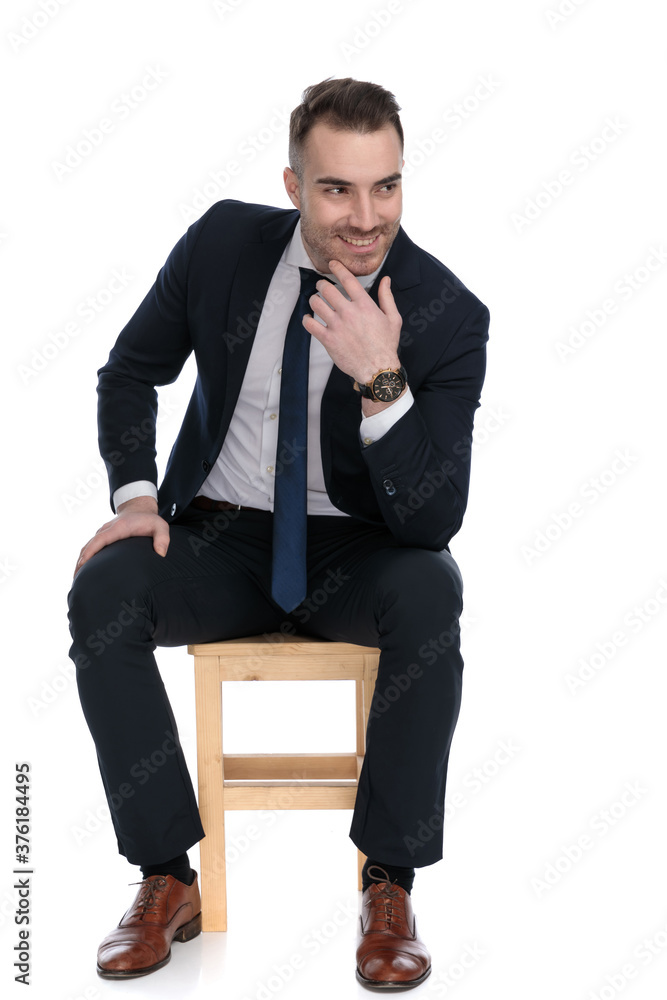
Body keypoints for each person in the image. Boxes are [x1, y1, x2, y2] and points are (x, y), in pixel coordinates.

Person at [67, 76, 489, 990]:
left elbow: (432, 522)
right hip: (218, 537)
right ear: (293, 185)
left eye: (386, 187)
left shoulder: (448, 314)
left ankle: (388, 884)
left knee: (433, 590)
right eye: (337, 189)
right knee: (103, 590)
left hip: (359, 547)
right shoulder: (222, 244)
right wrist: (136, 497)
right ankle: (166, 876)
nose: (366, 218)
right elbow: (129, 371)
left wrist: (381, 380)